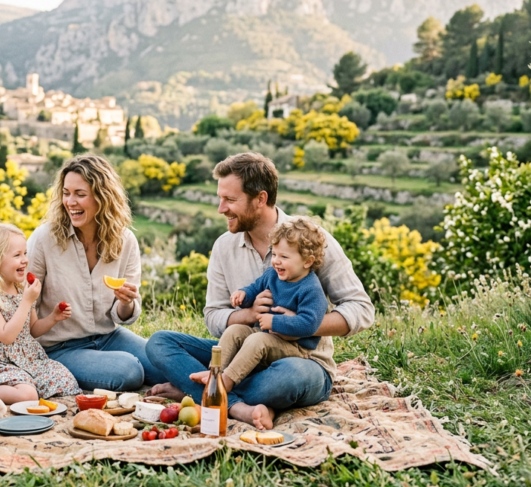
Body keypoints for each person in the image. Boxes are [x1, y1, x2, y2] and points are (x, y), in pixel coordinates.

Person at [147, 152, 375, 429]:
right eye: (220, 198)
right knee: (159, 343)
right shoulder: (223, 247)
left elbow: (361, 310)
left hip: (301, 362)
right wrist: (249, 315)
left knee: (286, 379)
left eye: (230, 200)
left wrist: (296, 325)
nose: (221, 209)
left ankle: (200, 391)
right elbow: (213, 315)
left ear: (260, 199)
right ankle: (237, 406)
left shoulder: (311, 242)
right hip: (241, 352)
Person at [26, 154, 166, 391]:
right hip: (60, 347)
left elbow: (124, 315)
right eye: (66, 193)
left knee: (166, 362)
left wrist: (126, 302)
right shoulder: (44, 239)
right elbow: (25, 303)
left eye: (80, 194)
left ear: (103, 197)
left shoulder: (125, 240)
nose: (70, 202)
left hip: (109, 336)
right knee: (129, 370)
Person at [194, 216, 331, 393]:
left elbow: (309, 324)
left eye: (284, 256)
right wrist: (244, 295)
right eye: (274, 254)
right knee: (234, 331)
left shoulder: (311, 289)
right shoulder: (272, 275)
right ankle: (214, 373)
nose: (276, 261)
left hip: (297, 348)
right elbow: (255, 288)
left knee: (256, 340)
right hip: (266, 336)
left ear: (307, 261)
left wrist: (275, 322)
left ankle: (225, 383)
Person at [0, 222, 81, 405]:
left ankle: (24, 384)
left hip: (28, 360)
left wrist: (53, 318)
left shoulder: (20, 289)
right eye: (17, 255)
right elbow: (6, 336)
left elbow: (32, 329)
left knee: (64, 380)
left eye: (25, 253)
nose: (25, 260)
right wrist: (26, 301)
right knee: (27, 395)